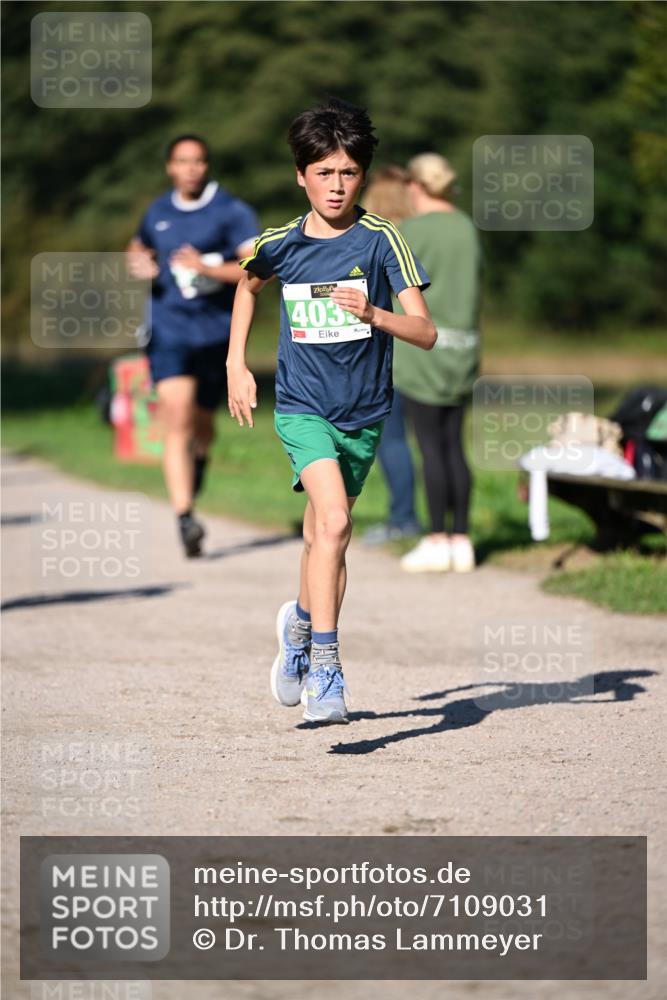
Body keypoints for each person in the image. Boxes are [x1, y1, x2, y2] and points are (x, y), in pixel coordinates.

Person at [227, 99, 436, 724]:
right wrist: (236, 364)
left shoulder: (381, 242)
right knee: (338, 522)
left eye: (347, 172)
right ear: (301, 176)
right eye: (324, 173)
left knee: (323, 534)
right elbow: (246, 284)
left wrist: (372, 312)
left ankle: (297, 625)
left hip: (364, 412)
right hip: (301, 407)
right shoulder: (280, 244)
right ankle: (326, 667)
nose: (336, 185)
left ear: (362, 176)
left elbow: (425, 333)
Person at [126, 135, 259, 557]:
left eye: (198, 161)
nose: (190, 169)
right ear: (170, 166)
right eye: (182, 161)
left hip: (217, 333)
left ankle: (198, 460)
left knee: (202, 425)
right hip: (168, 329)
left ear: (208, 165)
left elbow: (253, 269)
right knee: (177, 419)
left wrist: (206, 268)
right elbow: (138, 245)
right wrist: (138, 261)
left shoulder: (231, 211)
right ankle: (185, 517)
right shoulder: (158, 210)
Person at [396, 153, 481, 573]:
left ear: (415, 186)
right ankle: (462, 539)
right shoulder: (466, 227)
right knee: (454, 446)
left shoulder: (410, 231)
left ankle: (435, 539)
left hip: (422, 352)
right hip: (464, 349)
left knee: (429, 448)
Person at [359, 167, 421, 544]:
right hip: (433, 352)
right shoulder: (424, 235)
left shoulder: (378, 241)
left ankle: (403, 518)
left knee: (392, 440)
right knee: (435, 444)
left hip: (394, 354)